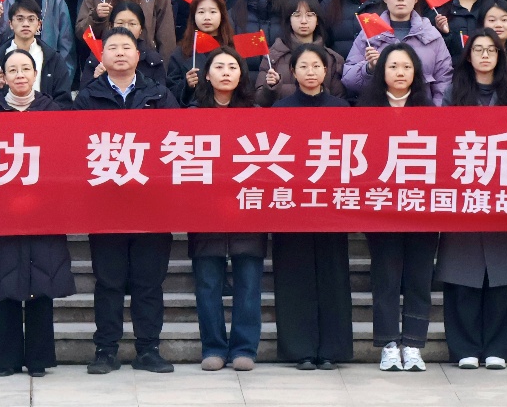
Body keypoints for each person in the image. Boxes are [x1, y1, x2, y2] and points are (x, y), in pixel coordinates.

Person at [74, 28, 178, 375]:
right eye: (112, 48)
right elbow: (75, 148)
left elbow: (176, 142)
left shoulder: (159, 95)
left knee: (149, 282)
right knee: (109, 282)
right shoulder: (87, 98)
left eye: (126, 47)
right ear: (101, 56)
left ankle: (148, 349)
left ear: (138, 55)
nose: (119, 53)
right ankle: (106, 350)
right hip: (105, 205)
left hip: (152, 204)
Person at [0, 49, 75, 377]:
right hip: (1, 209)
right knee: (3, 280)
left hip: (43, 208)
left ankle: (38, 359)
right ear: (3, 77)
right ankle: (5, 359)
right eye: (13, 70)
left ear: (35, 74)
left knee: (41, 281)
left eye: (25, 69)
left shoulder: (53, 110)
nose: (20, 75)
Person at [437, 29, 507, 370]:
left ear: (500, 55)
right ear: (469, 55)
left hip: (504, 191)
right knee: (462, 272)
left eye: (492, 49)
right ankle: (464, 348)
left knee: (504, 273)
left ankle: (498, 348)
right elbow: (444, 138)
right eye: (478, 49)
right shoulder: (454, 92)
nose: (485, 55)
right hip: (464, 188)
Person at [271, 44, 352, 370]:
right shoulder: (280, 110)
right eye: (303, 66)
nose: (310, 72)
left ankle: (331, 349)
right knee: (295, 276)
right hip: (292, 204)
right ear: (293, 72)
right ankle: (300, 349)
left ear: (326, 71)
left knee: (333, 276)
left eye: (316, 66)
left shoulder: (341, 109)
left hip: (331, 205)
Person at [358, 43, 436, 372]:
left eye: (406, 66)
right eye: (392, 66)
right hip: (382, 208)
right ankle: (389, 344)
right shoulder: (367, 111)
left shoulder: (431, 112)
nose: (400, 72)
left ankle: (414, 345)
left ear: (416, 72)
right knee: (386, 278)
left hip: (422, 209)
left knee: (419, 277)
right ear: (382, 72)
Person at [188, 48, 266, 372]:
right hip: (205, 210)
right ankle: (214, 347)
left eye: (232, 67)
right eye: (218, 67)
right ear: (207, 75)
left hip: (247, 208)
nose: (225, 72)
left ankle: (245, 347)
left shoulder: (256, 113)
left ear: (241, 75)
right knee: (208, 284)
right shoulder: (192, 114)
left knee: (249, 283)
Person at [342, 0, 454, 105]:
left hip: (422, 112)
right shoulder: (368, 34)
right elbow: (348, 79)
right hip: (380, 110)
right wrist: (369, 68)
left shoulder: (431, 35)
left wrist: (435, 113)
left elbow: (443, 80)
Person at [0, 0, 72, 107]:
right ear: (10, 24)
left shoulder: (53, 59)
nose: (25, 24)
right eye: (20, 19)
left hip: (44, 115)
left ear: (39, 24)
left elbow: (64, 101)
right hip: (7, 116)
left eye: (31, 19)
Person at [255, 0, 346, 104]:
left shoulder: (332, 58)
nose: (303, 21)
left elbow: (339, 102)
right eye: (297, 15)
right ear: (289, 20)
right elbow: (260, 101)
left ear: (317, 20)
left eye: (309, 15)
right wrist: (270, 88)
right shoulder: (273, 56)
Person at [166, 0, 235, 107]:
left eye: (213, 12)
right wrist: (186, 85)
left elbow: (245, 86)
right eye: (201, 12)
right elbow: (170, 92)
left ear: (222, 16)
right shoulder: (181, 52)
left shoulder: (232, 49)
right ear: (193, 17)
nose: (207, 17)